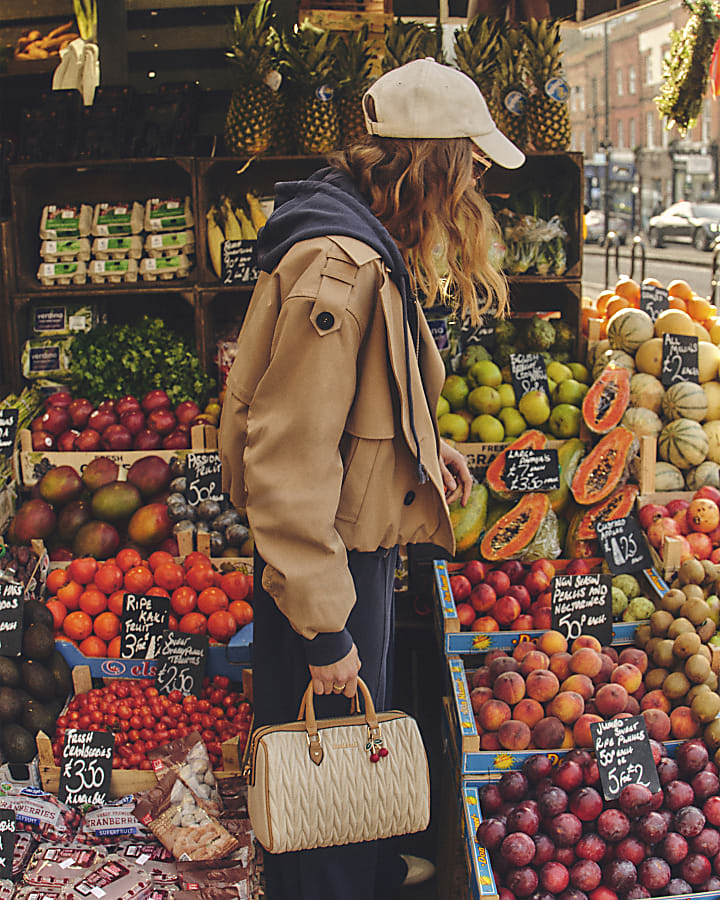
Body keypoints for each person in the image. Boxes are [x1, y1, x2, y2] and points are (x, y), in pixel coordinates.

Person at [219, 58, 524, 900]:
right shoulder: (343, 270)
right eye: (472, 170)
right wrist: (326, 634)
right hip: (326, 571)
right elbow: (287, 459)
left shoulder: (358, 242)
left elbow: (348, 414)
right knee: (327, 787)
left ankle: (360, 872)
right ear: (435, 166)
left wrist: (420, 452)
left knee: (347, 781)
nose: (476, 194)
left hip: (340, 558)